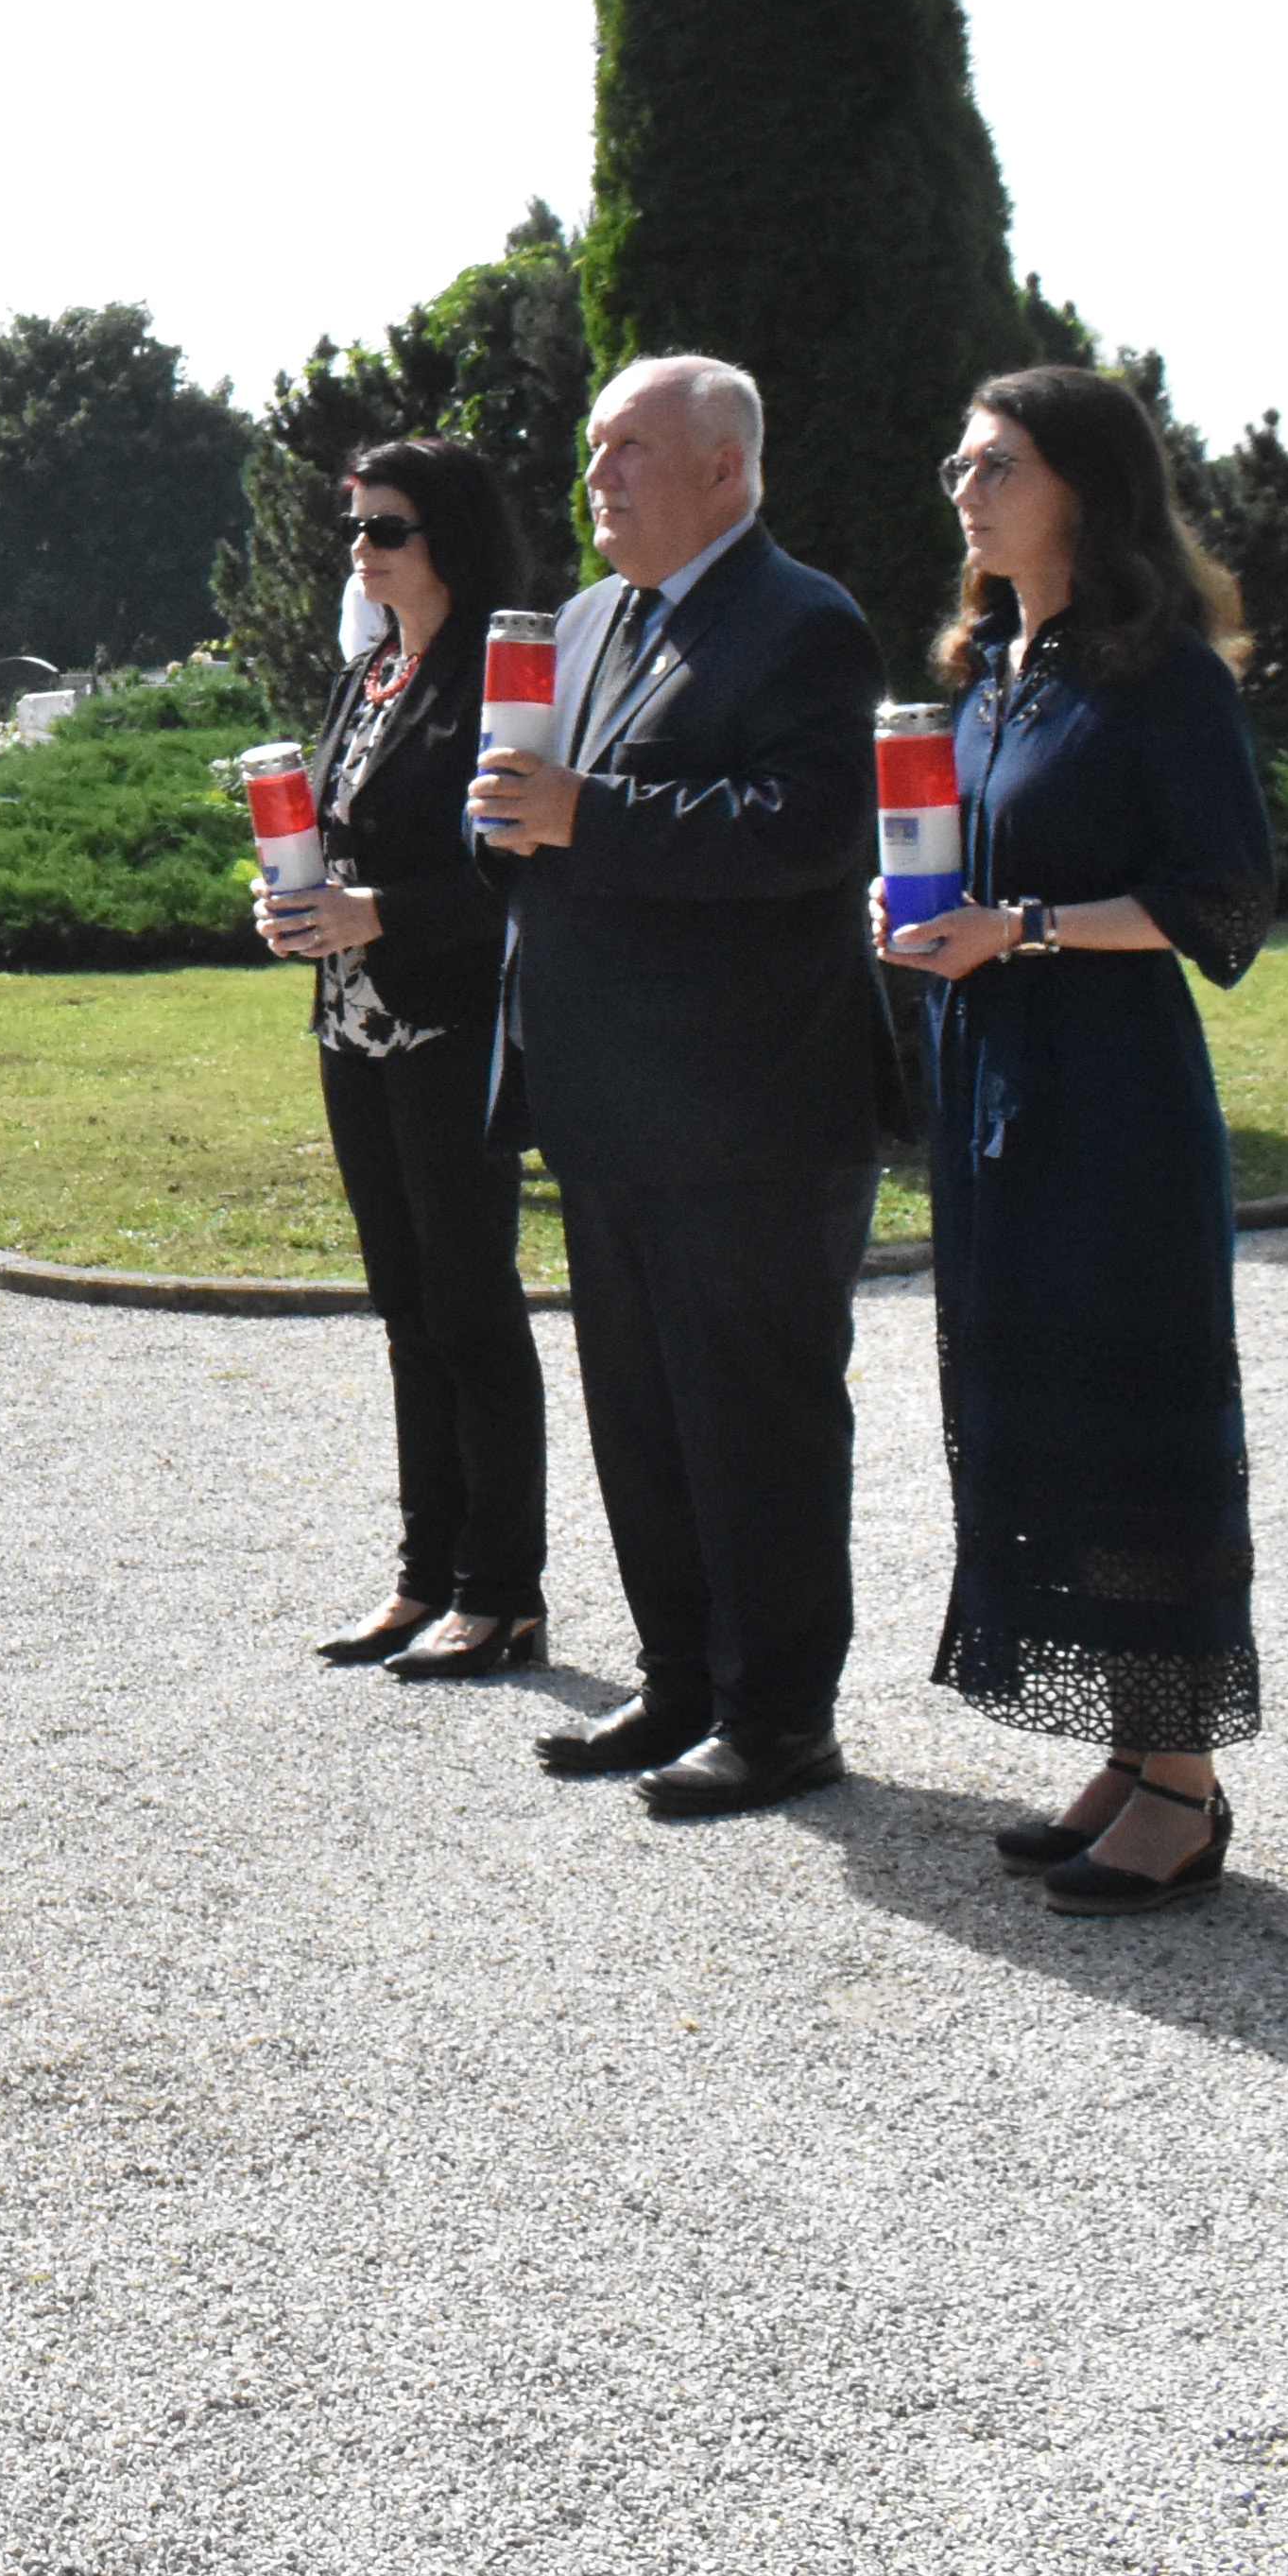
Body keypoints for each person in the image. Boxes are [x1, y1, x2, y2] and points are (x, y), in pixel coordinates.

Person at [471, 354, 897, 1821]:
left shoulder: (803, 621)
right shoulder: (589, 620)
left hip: (751, 1110)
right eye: (594, 449)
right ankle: (679, 1683)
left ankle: (780, 1717)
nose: (597, 475)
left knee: (755, 1421)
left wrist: (585, 814)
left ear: (725, 467)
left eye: (630, 449)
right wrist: (503, 822)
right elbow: (535, 814)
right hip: (608, 1101)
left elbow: (807, 831)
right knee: (641, 1413)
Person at [882, 366, 1279, 1914]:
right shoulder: (993, 672)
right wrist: (923, 913)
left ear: (1086, 489)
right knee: (1040, 1424)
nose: (965, 492)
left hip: (1115, 1112)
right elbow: (978, 875)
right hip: (999, 1105)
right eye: (958, 465)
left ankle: (1181, 1781)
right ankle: (1135, 1748)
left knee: (1135, 1430)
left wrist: (1023, 928)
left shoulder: (1159, 674)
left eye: (998, 465)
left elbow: (1223, 901)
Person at [252, 436, 551, 1681]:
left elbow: (519, 878)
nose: (361, 550)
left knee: (471, 1305)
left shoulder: (499, 679)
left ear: (449, 539)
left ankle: (503, 1591)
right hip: (354, 1027)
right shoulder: (371, 673)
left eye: (386, 528)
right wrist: (292, 901)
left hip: (449, 1027)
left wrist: (378, 912)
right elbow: (338, 832)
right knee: (406, 1307)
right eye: (355, 528)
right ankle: (425, 1575)